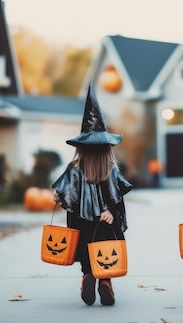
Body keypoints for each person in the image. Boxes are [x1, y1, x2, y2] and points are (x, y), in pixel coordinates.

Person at [52, 82, 132, 306]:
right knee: (105, 250)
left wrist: (58, 198)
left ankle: (87, 275)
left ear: (81, 147)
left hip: (82, 221)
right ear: (107, 147)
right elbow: (117, 197)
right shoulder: (112, 169)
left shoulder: (74, 169)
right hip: (106, 221)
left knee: (86, 250)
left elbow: (63, 196)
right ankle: (105, 281)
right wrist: (109, 211)